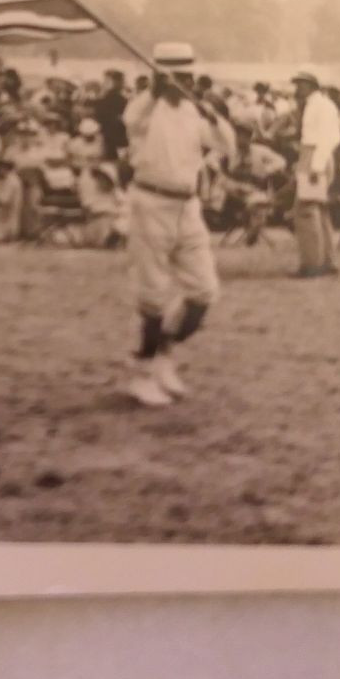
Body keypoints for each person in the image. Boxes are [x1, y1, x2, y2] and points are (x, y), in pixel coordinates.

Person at [121, 41, 231, 407]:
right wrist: (155, 89)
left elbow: (227, 146)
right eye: (175, 77)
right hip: (150, 202)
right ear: (159, 77)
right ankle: (141, 373)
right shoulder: (143, 108)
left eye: (188, 77)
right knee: (152, 294)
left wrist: (213, 115)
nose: (183, 84)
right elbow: (131, 120)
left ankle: (163, 355)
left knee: (204, 292)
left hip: (187, 206)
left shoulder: (194, 112)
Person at [291, 66, 340, 278]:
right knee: (318, 211)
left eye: (300, 84)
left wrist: (316, 166)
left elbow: (329, 138)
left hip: (316, 156)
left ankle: (312, 264)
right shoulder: (313, 105)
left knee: (306, 211)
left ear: (311, 86)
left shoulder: (322, 105)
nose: (297, 88)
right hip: (311, 155)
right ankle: (326, 261)